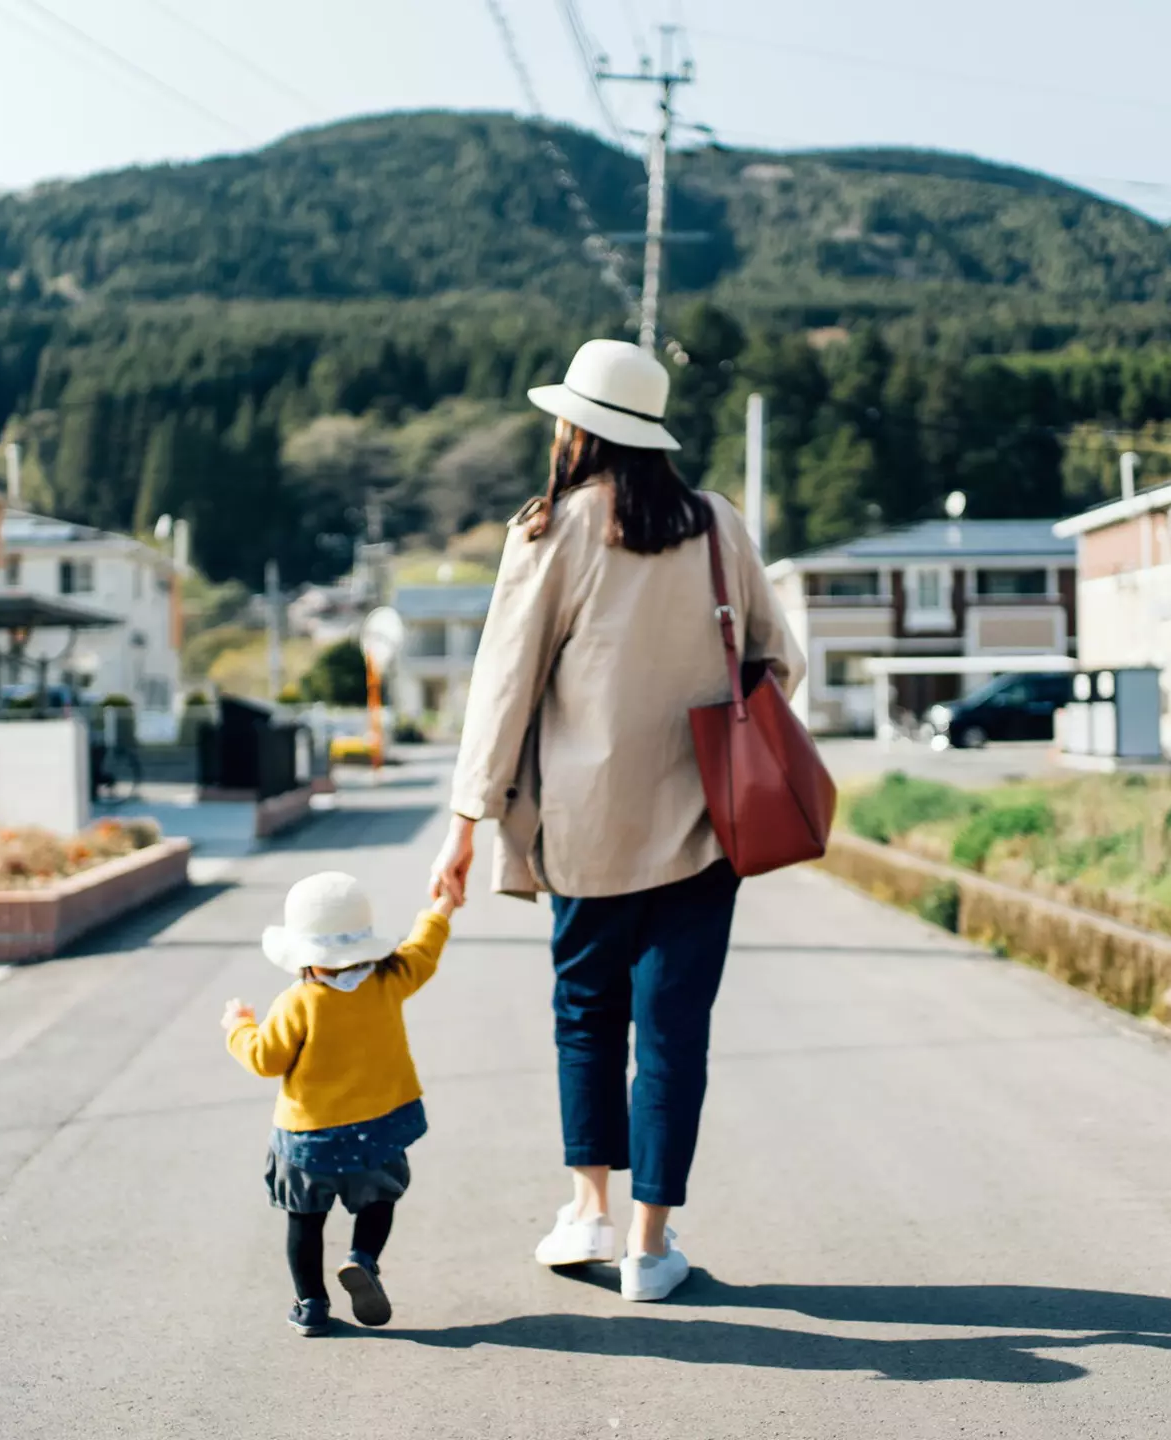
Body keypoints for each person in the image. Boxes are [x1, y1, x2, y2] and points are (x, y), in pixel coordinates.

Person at [429, 338, 805, 1304]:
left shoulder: (549, 528)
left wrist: (467, 820)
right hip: (707, 824)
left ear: (577, 428)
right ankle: (650, 1245)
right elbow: (779, 659)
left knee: (587, 1020)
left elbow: (504, 684)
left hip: (583, 829)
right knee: (674, 1033)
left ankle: (587, 1212)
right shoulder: (716, 523)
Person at [222, 871, 455, 1336]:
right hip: (379, 1129)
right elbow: (424, 950)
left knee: (305, 1220)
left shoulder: (299, 1001)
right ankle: (363, 1258)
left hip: (311, 1137)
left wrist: (239, 1027)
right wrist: (442, 905)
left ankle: (311, 1304)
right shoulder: (390, 978)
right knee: (380, 1199)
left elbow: (266, 1059)